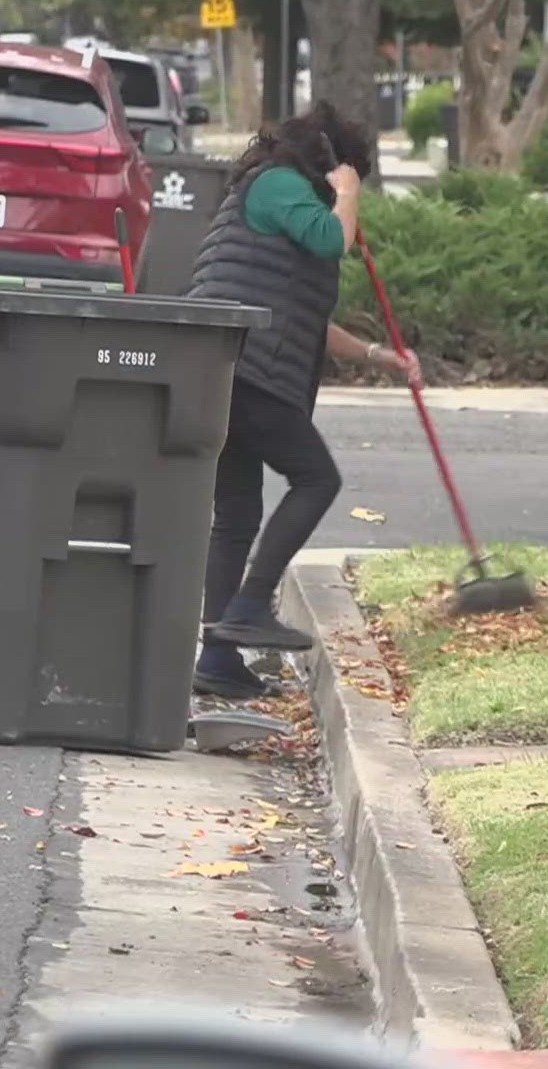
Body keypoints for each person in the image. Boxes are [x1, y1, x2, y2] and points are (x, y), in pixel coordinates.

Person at [185, 101, 418, 699]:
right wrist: (347, 196)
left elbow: (308, 317)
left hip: (225, 367)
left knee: (235, 517)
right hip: (249, 370)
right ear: (332, 161)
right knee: (317, 479)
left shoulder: (270, 195)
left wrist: (377, 356)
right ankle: (251, 604)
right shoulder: (280, 184)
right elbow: (330, 240)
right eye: (348, 171)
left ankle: (216, 658)